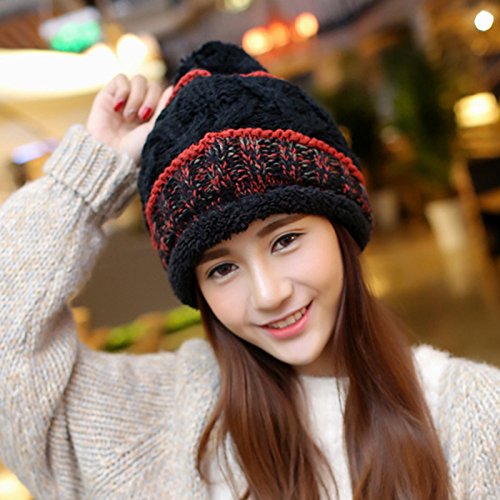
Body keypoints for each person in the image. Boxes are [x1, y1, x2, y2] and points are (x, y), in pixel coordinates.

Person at [0, 41, 498, 500]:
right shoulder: (167, 421)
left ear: (340, 227)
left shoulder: (473, 415)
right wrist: (85, 180)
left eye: (285, 240)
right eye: (222, 269)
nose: (268, 293)